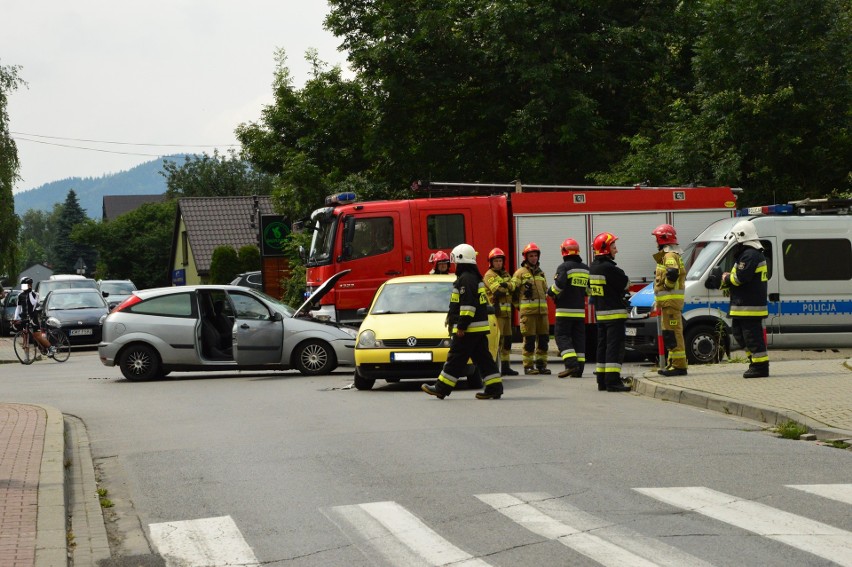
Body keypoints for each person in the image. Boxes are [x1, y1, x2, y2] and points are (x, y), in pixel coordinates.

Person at [422, 243, 503, 400]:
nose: (454, 264)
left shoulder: (465, 279)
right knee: (483, 359)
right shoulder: (472, 277)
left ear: (460, 259)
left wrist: (461, 326)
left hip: (469, 330)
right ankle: (494, 387)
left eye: (455, 261)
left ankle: (441, 388)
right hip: (476, 329)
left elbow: (467, 306)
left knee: (455, 358)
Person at [720, 219, 769, 378]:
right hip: (742, 306)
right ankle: (754, 362)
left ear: (742, 236)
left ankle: (761, 367)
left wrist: (727, 278)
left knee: (752, 338)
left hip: (750, 307)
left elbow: (740, 278)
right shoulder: (748, 254)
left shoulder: (750, 255)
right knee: (740, 336)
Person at [589, 233, 631, 392]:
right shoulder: (610, 268)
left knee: (602, 347)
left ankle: (602, 381)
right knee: (614, 347)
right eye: (614, 247)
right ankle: (613, 381)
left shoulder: (593, 267)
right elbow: (626, 283)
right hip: (615, 315)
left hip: (601, 315)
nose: (616, 250)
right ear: (605, 249)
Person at [548, 238, 589, 378]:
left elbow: (558, 286)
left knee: (561, 336)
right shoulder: (585, 269)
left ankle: (571, 365)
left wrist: (550, 292)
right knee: (579, 339)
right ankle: (579, 369)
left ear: (564, 252)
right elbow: (588, 291)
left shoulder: (564, 267)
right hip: (579, 311)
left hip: (564, 310)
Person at [652, 224, 688, 376]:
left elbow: (672, 273)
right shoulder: (669, 255)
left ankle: (679, 366)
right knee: (670, 333)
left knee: (674, 333)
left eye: (657, 238)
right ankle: (673, 364)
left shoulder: (669, 256)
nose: (655, 241)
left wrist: (666, 286)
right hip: (668, 304)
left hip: (671, 303)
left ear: (663, 238)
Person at [512, 242, 551, 374]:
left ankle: (541, 365)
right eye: (531, 256)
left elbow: (545, 291)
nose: (534, 258)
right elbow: (512, 292)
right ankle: (528, 366)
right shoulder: (520, 273)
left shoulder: (541, 273)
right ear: (526, 257)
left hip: (542, 313)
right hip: (528, 314)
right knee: (529, 341)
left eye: (535, 255)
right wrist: (520, 307)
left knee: (544, 340)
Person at [483, 247, 518, 376]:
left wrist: (506, 286)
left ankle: (505, 366)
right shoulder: (489, 275)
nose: (498, 263)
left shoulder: (506, 274)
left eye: (500, 261)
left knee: (507, 341)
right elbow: (496, 291)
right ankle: (495, 366)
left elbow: (514, 287)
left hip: (507, 314)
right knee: (498, 340)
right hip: (496, 313)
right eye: (496, 261)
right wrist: (507, 286)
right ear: (491, 262)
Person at [13, 277, 54, 354]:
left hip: (33, 317)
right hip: (24, 317)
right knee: (25, 336)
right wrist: (15, 318)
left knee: (37, 335)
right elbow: (18, 308)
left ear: (30, 285)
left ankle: (51, 348)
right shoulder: (20, 295)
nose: (24, 287)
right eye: (23, 285)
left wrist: (30, 292)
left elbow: (33, 303)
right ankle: (26, 356)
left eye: (27, 285)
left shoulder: (35, 294)